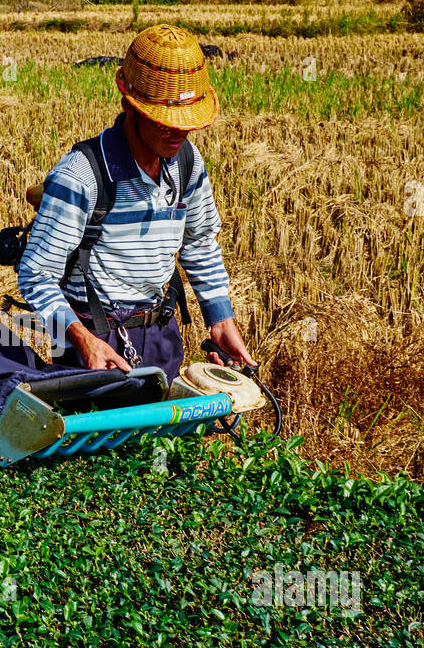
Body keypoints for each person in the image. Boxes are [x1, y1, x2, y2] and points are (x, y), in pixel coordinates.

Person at [17, 24, 254, 387]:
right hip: (94, 340)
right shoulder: (81, 176)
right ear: (129, 102)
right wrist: (83, 340)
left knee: (165, 441)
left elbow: (200, 243)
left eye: (187, 124)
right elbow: (36, 274)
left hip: (160, 331)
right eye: (166, 122)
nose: (179, 133)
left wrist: (220, 320)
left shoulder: (187, 164)